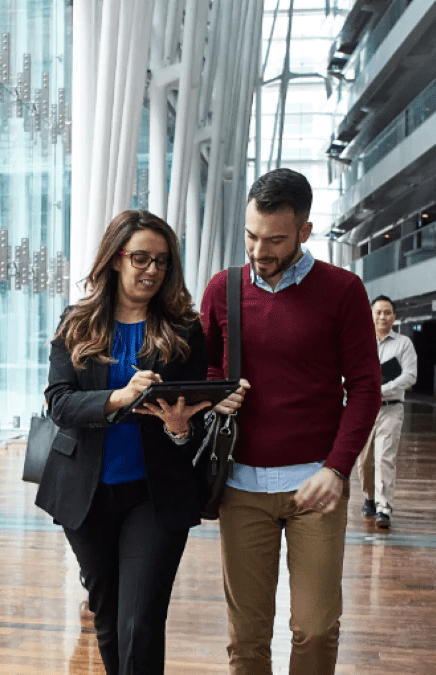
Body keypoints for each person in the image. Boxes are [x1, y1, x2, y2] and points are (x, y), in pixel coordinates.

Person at [201, 168, 381, 675]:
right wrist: (216, 396)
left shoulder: (342, 290)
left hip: (317, 484)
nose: (260, 250)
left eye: (275, 239)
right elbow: (206, 368)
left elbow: (365, 386)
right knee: (248, 636)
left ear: (304, 231)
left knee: (316, 626)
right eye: (251, 236)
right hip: (240, 486)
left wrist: (338, 467)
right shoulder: (222, 289)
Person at [36, 210, 211, 674]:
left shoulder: (184, 330)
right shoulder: (77, 323)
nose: (151, 270)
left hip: (154, 494)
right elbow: (59, 404)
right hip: (85, 493)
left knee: (141, 622)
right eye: (140, 258)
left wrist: (179, 426)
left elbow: (195, 414)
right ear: (115, 259)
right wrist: (118, 396)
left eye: (161, 261)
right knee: (109, 619)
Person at [357, 295, 417, 529]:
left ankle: (384, 509)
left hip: (391, 409)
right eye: (378, 312)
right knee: (364, 462)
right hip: (364, 409)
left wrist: (382, 389)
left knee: (384, 458)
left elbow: (410, 375)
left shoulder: (403, 344)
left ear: (394, 316)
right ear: (370, 315)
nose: (383, 316)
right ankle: (370, 499)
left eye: (387, 312)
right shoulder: (361, 343)